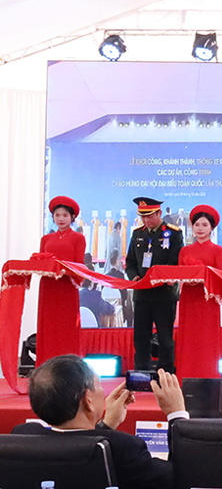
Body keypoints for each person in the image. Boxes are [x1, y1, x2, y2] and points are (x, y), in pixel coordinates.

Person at [13, 355, 186, 489]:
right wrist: (176, 415)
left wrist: (105, 426)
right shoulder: (124, 448)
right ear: (88, 399)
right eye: (99, 385)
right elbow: (182, 478)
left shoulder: (22, 438)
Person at [125, 196, 183, 374]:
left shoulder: (173, 233)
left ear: (159, 213)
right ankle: (141, 373)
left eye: (150, 216)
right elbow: (130, 262)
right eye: (143, 217)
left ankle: (165, 373)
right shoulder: (138, 234)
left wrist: (166, 277)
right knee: (141, 337)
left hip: (164, 293)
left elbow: (176, 261)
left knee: (165, 338)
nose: (146, 220)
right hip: (142, 294)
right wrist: (134, 277)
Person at [176, 205, 222, 379]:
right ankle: (186, 376)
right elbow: (180, 273)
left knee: (206, 337)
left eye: (204, 225)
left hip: (207, 300)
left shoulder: (218, 251)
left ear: (212, 228)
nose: (200, 228)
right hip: (189, 298)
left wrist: (203, 278)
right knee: (189, 337)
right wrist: (187, 279)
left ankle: (208, 376)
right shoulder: (185, 250)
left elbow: (220, 276)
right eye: (197, 224)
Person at [38, 196, 87, 362]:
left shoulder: (78, 238)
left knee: (67, 325)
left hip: (67, 286)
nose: (61, 219)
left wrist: (64, 271)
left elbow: (79, 265)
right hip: (49, 286)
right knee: (48, 325)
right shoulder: (46, 239)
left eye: (65, 215)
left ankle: (68, 364)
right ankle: (46, 364)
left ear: (72, 217)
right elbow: (41, 261)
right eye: (57, 215)